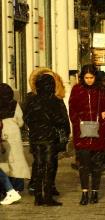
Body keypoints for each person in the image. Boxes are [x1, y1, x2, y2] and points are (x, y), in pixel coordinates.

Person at [24, 72, 69, 206]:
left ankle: (38, 196)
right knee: (49, 167)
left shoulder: (32, 100)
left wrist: (35, 127)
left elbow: (26, 118)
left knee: (38, 166)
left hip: (35, 138)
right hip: (49, 138)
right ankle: (48, 195)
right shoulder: (54, 100)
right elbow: (62, 120)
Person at [69, 64, 105, 205]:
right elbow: (72, 109)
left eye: (91, 77)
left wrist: (103, 125)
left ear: (95, 77)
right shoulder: (77, 90)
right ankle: (84, 192)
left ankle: (95, 191)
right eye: (86, 78)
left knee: (96, 165)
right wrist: (77, 125)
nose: (89, 80)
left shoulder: (102, 91)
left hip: (98, 134)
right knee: (84, 165)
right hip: (81, 134)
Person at [0, 83, 30, 192]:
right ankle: (17, 186)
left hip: (1, 132)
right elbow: (20, 121)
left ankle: (5, 187)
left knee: (3, 161)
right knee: (17, 160)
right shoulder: (14, 104)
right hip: (13, 133)